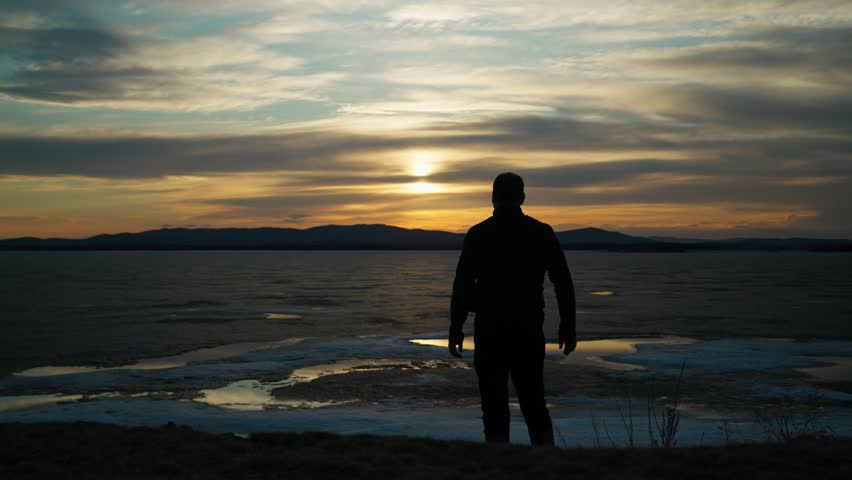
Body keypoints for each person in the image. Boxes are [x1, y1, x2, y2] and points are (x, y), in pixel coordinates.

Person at [448, 172, 577, 446]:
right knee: (533, 403)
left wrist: (456, 326)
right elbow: (563, 282)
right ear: (522, 198)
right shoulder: (540, 232)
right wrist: (568, 324)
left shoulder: (480, 234)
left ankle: (502, 462)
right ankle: (543, 463)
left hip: (494, 331)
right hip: (526, 330)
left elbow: (462, 285)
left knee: (495, 406)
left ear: (493, 198)